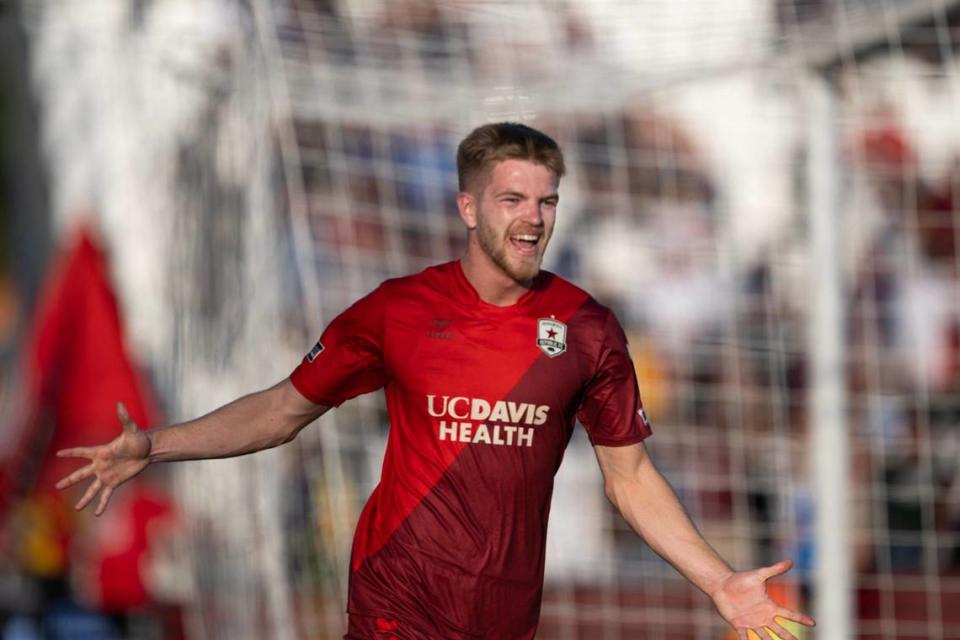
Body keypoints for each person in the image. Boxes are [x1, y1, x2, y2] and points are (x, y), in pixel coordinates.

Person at [56, 123, 815, 640]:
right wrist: (155, 445)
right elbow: (284, 410)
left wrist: (718, 583)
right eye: (513, 199)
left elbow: (631, 476)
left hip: (505, 615)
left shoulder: (587, 328)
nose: (534, 218)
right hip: (398, 602)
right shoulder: (398, 311)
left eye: (547, 200)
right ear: (467, 206)